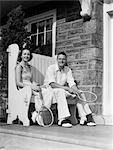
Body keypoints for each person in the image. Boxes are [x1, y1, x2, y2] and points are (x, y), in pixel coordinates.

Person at [44, 51, 96, 127]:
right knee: (61, 91)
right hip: (49, 91)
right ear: (57, 60)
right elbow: (52, 84)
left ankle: (86, 116)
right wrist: (67, 88)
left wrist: (76, 90)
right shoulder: (51, 68)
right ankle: (62, 119)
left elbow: (71, 83)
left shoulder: (67, 69)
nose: (61, 61)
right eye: (60, 59)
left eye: (63, 59)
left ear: (66, 60)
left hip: (61, 90)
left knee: (80, 92)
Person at [15, 48, 53, 126]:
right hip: (24, 88)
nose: (26, 56)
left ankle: (37, 112)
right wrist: (32, 86)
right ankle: (38, 114)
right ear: (21, 56)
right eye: (24, 54)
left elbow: (31, 81)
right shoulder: (19, 67)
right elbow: (18, 83)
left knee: (48, 91)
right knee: (38, 94)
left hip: (30, 86)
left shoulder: (29, 67)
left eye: (28, 54)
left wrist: (39, 85)